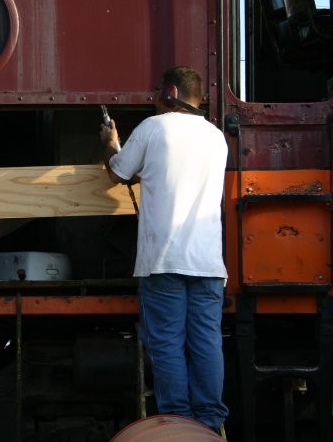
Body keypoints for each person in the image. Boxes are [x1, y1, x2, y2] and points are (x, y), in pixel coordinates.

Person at [99, 66, 229, 434]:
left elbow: (117, 173)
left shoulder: (153, 129)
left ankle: (178, 423)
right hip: (208, 263)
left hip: (164, 261)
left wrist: (110, 141)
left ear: (168, 92)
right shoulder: (216, 137)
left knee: (168, 343)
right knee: (206, 342)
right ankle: (208, 423)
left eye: (157, 90)